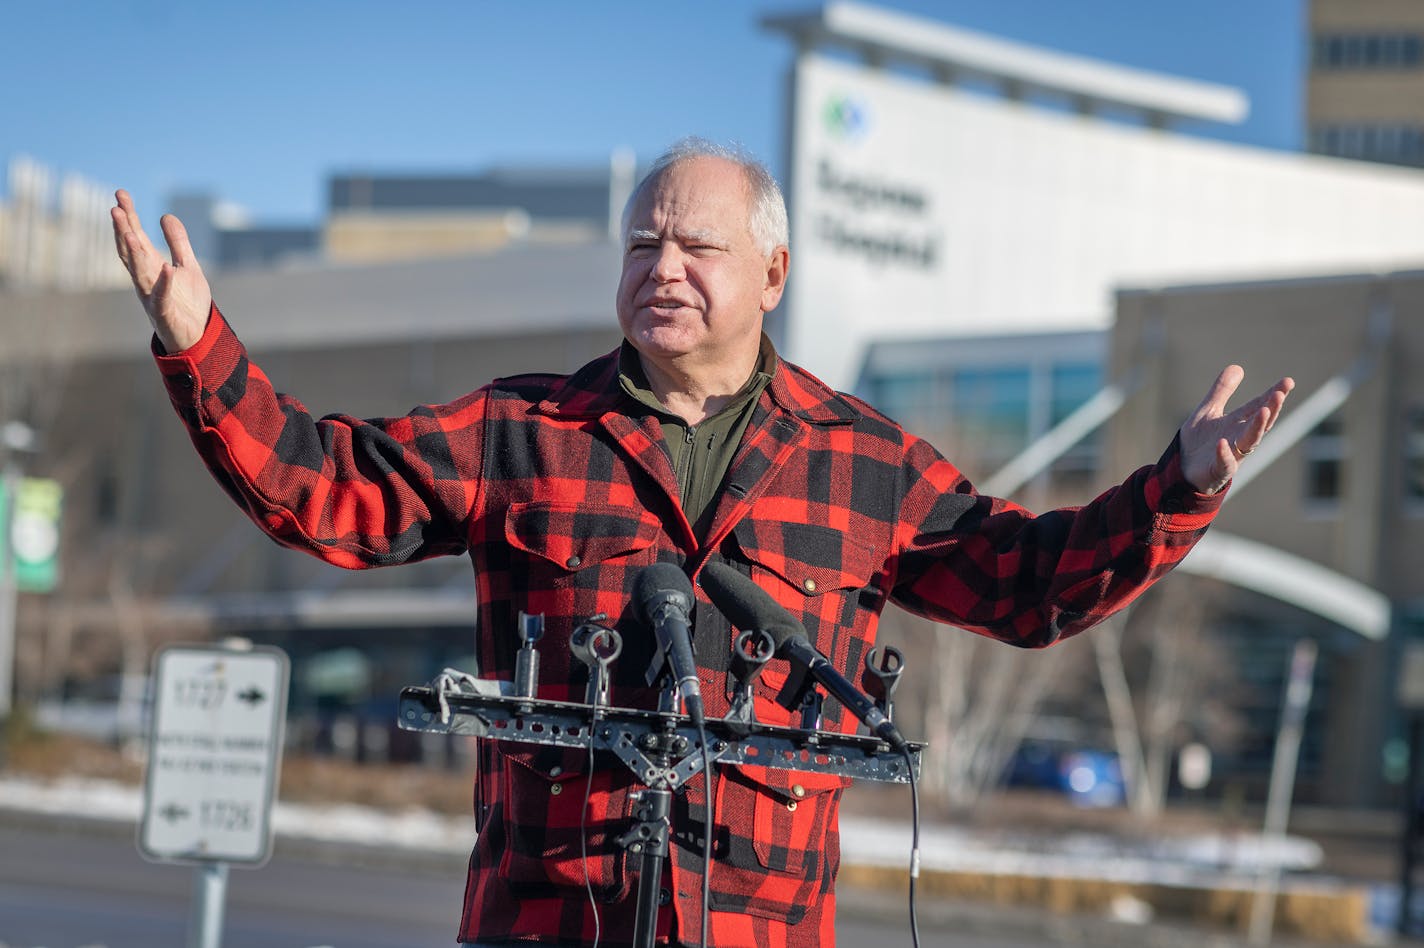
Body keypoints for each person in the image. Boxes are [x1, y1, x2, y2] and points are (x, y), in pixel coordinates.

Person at [111, 138, 1292, 947]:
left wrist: (1173, 491)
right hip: (543, 922)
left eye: (695, 247)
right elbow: (323, 488)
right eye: (639, 245)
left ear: (771, 271)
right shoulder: (523, 430)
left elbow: (1027, 584)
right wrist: (199, 340)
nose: (659, 268)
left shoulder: (860, 460)